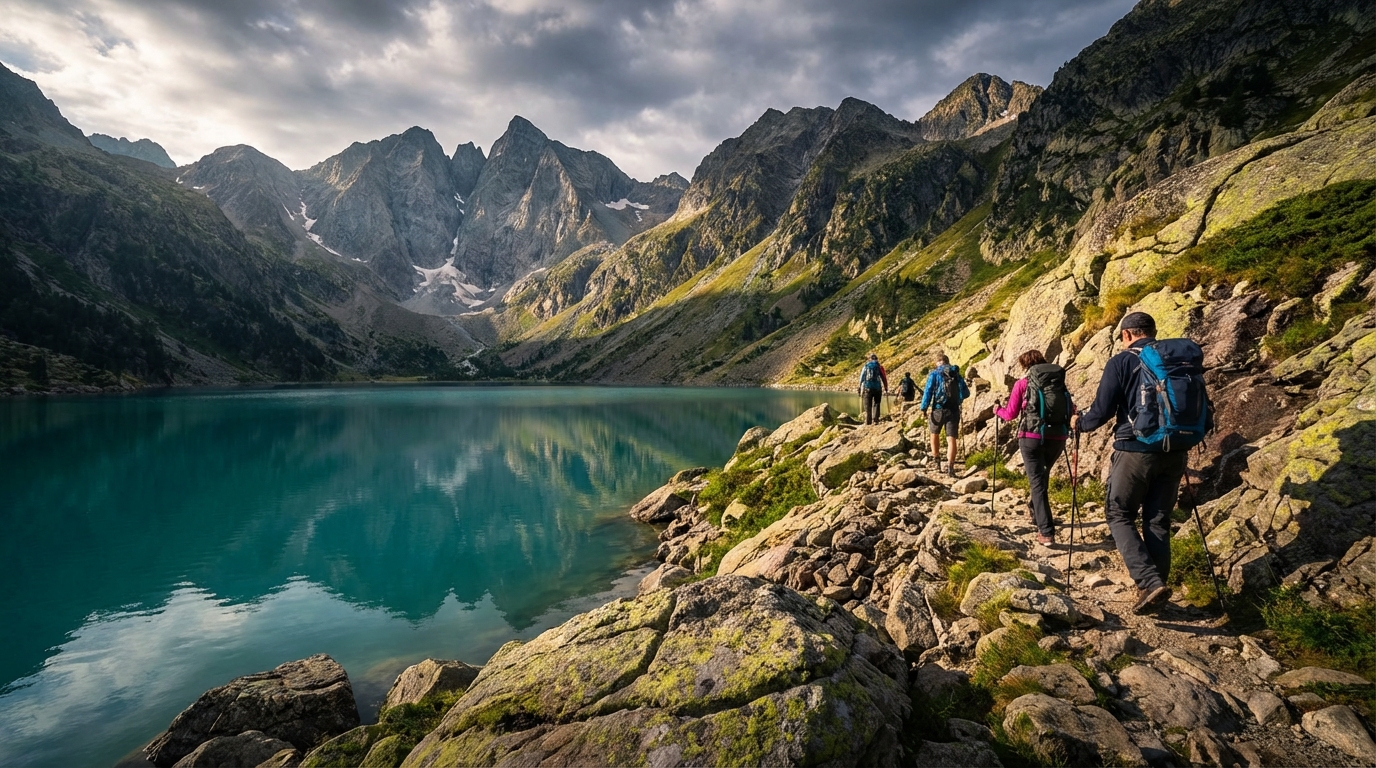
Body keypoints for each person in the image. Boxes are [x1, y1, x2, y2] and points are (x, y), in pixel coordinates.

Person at [1071, 311, 1212, 615]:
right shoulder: (1174, 361)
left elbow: (1101, 411)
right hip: (1176, 449)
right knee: (1158, 519)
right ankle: (1156, 588)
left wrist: (1078, 423)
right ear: (1152, 331)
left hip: (1136, 449)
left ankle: (1149, 583)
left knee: (1119, 512)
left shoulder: (1122, 361)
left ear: (1126, 334)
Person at [995, 350, 1073, 545]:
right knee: (1042, 477)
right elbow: (1071, 409)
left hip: (1031, 437)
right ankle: (1037, 512)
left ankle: (1046, 531)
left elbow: (1011, 414)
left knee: (1037, 483)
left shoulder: (1023, 384)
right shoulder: (1058, 383)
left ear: (1025, 366)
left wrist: (997, 410)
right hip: (1058, 437)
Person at [921, 353, 969, 476]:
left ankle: (937, 462)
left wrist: (924, 408)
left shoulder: (934, 374)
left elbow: (928, 392)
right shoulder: (955, 373)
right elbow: (966, 392)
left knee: (934, 434)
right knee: (951, 439)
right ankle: (950, 467)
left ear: (938, 362)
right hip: (953, 409)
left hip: (938, 409)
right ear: (948, 362)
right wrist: (958, 400)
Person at [858, 353, 888, 425]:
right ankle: (875, 420)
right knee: (877, 403)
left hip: (867, 387)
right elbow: (884, 378)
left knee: (868, 405)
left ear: (870, 359)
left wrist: (859, 386)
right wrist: (886, 387)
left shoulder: (866, 366)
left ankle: (868, 421)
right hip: (878, 388)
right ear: (876, 359)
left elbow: (862, 377)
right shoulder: (880, 367)